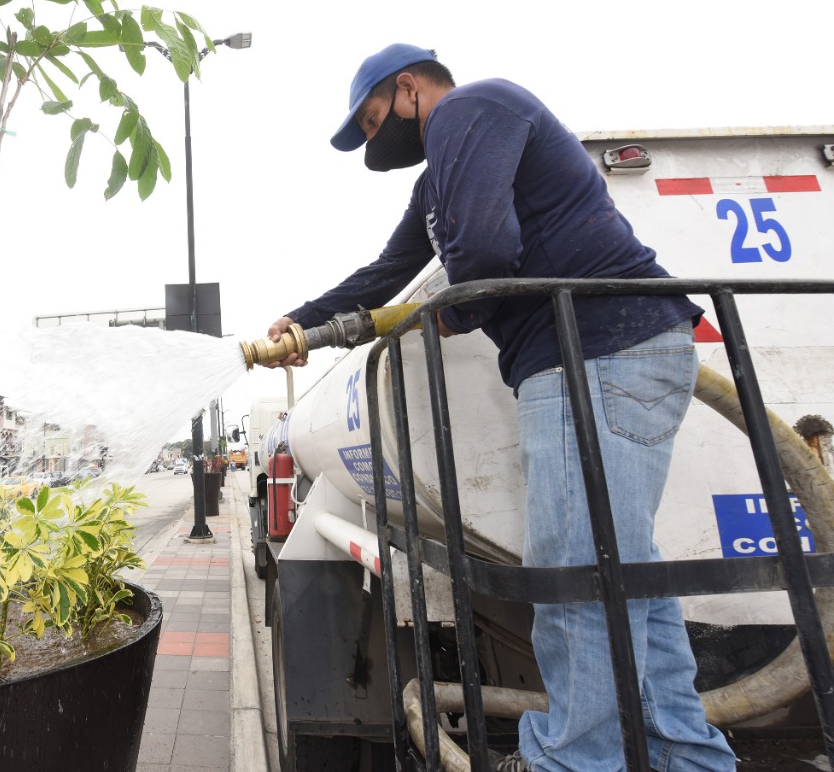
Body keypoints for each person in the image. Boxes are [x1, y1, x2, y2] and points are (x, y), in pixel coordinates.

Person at [266, 44, 735, 771]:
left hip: (597, 351)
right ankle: (687, 755)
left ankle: (573, 761)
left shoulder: (468, 108)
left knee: (574, 573)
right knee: (621, 573)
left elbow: (483, 249)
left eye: (370, 119)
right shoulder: (440, 174)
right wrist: (302, 322)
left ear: (409, 87)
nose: (370, 139)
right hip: (598, 353)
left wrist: (453, 311)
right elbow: (389, 272)